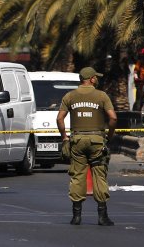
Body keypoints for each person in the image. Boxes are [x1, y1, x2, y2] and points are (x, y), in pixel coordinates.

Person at [57, 67, 117, 226]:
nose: (97, 79)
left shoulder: (70, 96)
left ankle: (76, 216)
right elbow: (113, 118)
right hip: (97, 139)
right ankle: (102, 216)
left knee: (77, 176)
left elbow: (60, 119)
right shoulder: (101, 96)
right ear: (91, 79)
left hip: (77, 140)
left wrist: (65, 137)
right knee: (99, 175)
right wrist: (108, 136)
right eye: (95, 77)